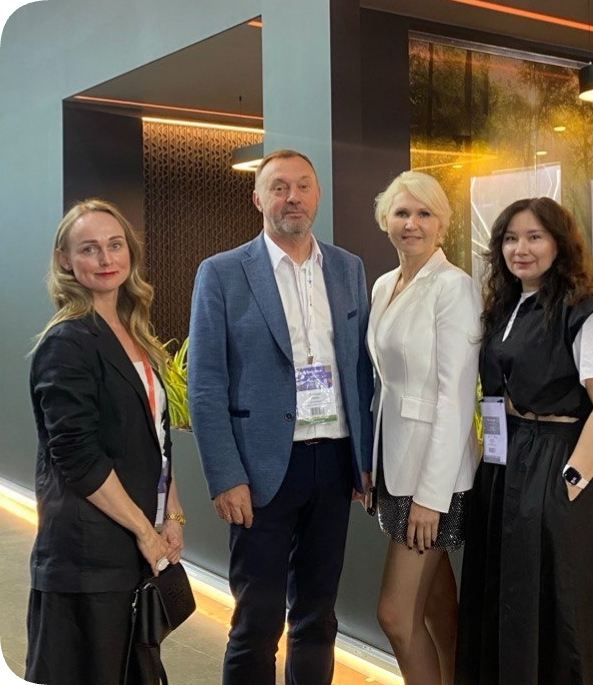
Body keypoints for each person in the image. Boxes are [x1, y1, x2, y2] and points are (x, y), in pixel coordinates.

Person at [188, 149, 374, 685]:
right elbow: (205, 384)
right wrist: (226, 475)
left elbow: (359, 370)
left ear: (318, 195)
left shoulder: (348, 268)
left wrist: (363, 459)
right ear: (257, 198)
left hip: (333, 464)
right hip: (261, 470)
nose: (293, 197)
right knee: (258, 620)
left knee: (318, 616)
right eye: (279, 187)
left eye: (303, 186)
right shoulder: (222, 272)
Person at [455, 197, 593, 685]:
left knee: (562, 606)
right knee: (509, 598)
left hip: (559, 458)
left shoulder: (585, 311)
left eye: (534, 237)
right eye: (510, 239)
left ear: (560, 244)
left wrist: (571, 480)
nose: (520, 249)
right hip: (509, 459)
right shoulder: (506, 305)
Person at [25, 199, 185, 685]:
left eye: (115, 245)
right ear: (64, 260)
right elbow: (78, 457)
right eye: (89, 249)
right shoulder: (67, 342)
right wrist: (145, 532)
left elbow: (156, 436)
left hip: (131, 545)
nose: (105, 258)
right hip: (87, 555)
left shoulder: (134, 334)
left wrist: (171, 513)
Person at [366, 170, 482, 685]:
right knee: (438, 612)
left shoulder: (455, 288)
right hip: (394, 466)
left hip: (435, 479)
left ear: (443, 224)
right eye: (402, 212)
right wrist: (370, 465)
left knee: (395, 615)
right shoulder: (383, 285)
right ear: (385, 220)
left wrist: (431, 498)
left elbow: (455, 399)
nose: (411, 223)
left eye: (424, 213)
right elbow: (386, 388)